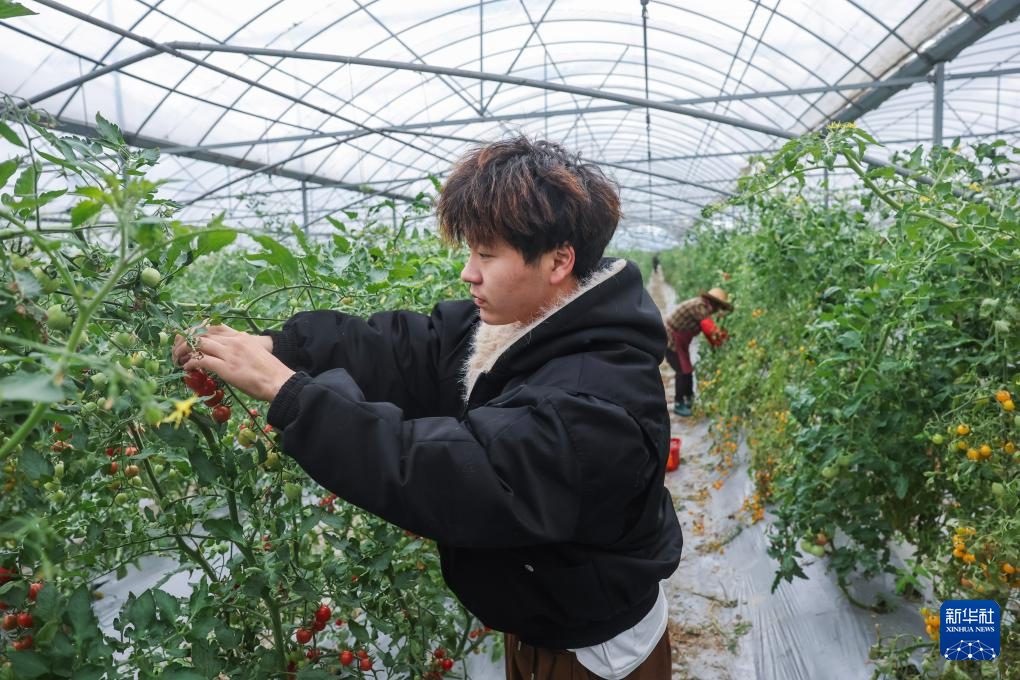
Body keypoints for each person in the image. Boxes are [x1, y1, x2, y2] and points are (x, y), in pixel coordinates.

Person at [173, 136, 683, 680]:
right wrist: (283, 347)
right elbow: (409, 350)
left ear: (559, 261)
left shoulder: (596, 401)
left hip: (594, 659)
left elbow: (455, 473)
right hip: (542, 626)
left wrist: (289, 392)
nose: (469, 272)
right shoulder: (526, 325)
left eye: (486, 254)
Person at [663, 288, 732, 417]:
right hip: (670, 340)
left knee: (687, 369)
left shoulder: (703, 306)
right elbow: (709, 330)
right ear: (714, 303)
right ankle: (679, 403)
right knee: (682, 371)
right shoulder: (699, 307)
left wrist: (718, 342)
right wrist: (723, 341)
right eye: (719, 306)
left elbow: (710, 332)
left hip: (680, 342)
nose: (719, 310)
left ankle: (689, 399)